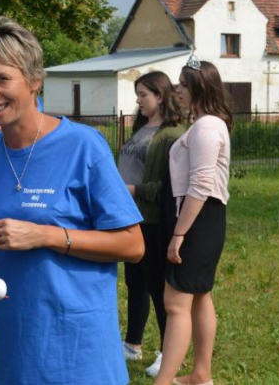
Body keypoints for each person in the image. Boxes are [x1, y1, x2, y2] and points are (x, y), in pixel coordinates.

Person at [0, 16, 145, 385]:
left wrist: (46, 236)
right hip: (16, 343)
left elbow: (133, 244)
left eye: (2, 79)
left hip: (78, 348)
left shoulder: (82, 145)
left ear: (34, 80)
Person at [154, 56, 232, 385]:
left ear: (199, 87)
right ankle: (201, 374)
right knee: (199, 296)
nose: (178, 90)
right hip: (201, 218)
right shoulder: (206, 125)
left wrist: (178, 234)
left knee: (175, 301)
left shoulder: (207, 127)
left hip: (198, 219)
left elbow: (200, 186)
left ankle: (165, 381)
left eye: (184, 84)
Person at [118, 72, 184, 378]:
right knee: (136, 283)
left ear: (160, 96)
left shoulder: (172, 135)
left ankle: (168, 352)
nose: (138, 100)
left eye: (143, 94)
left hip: (154, 222)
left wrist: (131, 190)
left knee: (158, 287)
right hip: (132, 219)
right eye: (138, 94)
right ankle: (132, 343)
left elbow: (167, 187)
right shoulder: (142, 127)